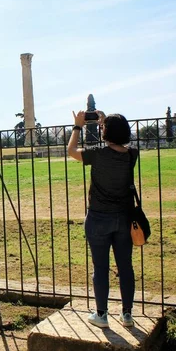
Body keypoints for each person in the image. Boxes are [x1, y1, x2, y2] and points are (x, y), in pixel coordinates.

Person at [67, 110, 137, 328]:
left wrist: (78, 126)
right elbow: (113, 143)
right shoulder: (132, 154)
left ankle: (102, 315)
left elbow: (71, 151)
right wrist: (104, 122)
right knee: (125, 266)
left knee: (101, 267)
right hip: (124, 217)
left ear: (105, 131)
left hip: (98, 217)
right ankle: (127, 314)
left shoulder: (97, 152)